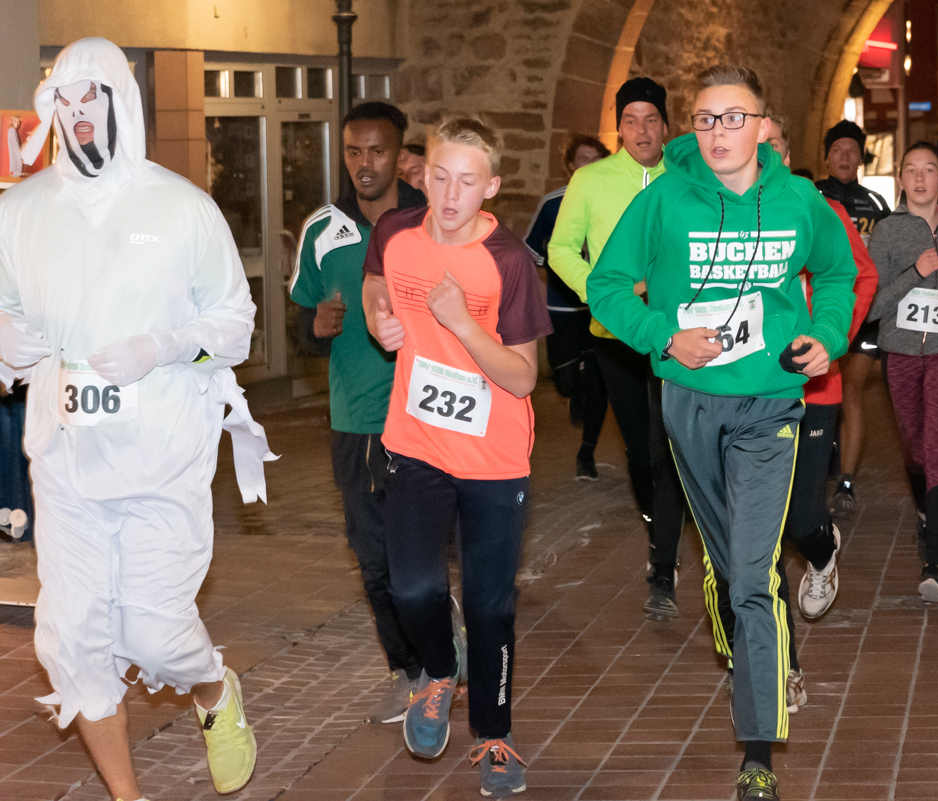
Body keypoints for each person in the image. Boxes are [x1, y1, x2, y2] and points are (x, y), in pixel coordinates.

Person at [0, 38, 275, 800]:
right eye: (64, 100)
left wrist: (163, 347)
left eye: (92, 97)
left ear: (122, 99)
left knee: (155, 632)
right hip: (65, 462)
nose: (78, 114)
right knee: (72, 641)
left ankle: (213, 687)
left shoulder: (182, 208)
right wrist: (7, 339)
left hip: (161, 458)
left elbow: (234, 326)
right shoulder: (19, 212)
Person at [588, 65, 857, 801]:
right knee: (727, 569)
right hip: (690, 404)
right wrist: (662, 337)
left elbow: (837, 275)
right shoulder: (664, 199)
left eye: (733, 118)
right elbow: (605, 284)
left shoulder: (799, 200)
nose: (717, 133)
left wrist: (827, 336)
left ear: (763, 126)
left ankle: (758, 753)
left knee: (753, 572)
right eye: (705, 119)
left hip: (770, 404)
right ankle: (752, 649)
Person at [363, 114, 551, 798]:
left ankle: (494, 736)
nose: (449, 195)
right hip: (416, 443)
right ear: (421, 174)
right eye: (438, 176)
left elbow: (523, 377)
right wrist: (379, 317)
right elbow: (376, 280)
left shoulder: (508, 261)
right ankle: (440, 673)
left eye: (466, 182)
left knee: (489, 605)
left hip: (494, 459)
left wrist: (463, 323)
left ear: (490, 187)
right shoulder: (395, 232)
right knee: (410, 587)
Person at [289, 101, 461, 726]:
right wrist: (315, 328)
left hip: (428, 413)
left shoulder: (430, 220)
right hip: (357, 419)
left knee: (426, 549)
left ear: (400, 154)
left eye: (378, 151)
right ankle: (408, 671)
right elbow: (302, 327)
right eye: (353, 151)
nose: (365, 163)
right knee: (373, 557)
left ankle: (441, 639)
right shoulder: (322, 230)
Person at [707, 113, 878, 721]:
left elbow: (860, 277)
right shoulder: (721, 215)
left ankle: (823, 547)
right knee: (759, 537)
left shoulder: (815, 209)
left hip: (813, 390)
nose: (762, 153)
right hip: (746, 392)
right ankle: (783, 666)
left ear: (783, 151)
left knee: (802, 518)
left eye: (773, 144)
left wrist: (830, 339)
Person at [548, 77, 687, 621]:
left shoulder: (687, 177)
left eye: (651, 119)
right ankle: (658, 530)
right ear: (618, 128)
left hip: (678, 337)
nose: (642, 130)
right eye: (631, 121)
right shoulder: (591, 179)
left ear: (666, 126)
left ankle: (663, 560)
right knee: (639, 449)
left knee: (668, 444)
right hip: (617, 336)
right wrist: (602, 292)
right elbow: (560, 248)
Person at [867, 142, 938, 602]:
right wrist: (914, 271)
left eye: (929, 170)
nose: (919, 178)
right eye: (911, 170)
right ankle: (924, 512)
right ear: (900, 179)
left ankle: (933, 565)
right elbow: (872, 306)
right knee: (914, 452)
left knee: (936, 449)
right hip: (900, 352)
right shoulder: (886, 232)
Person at [815, 119, 891, 519]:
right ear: (826, 157)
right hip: (822, 311)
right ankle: (816, 466)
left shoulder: (876, 204)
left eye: (852, 151)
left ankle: (845, 481)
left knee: (851, 390)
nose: (845, 157)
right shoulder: (810, 196)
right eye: (837, 150)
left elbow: (890, 257)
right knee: (819, 394)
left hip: (867, 313)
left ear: (862, 157)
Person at [524, 133, 611, 479]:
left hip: (603, 308)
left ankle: (586, 454)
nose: (588, 165)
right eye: (583, 159)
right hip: (562, 309)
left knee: (599, 382)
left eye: (595, 159)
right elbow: (530, 250)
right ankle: (577, 393)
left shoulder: (614, 199)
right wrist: (552, 273)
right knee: (566, 384)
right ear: (571, 165)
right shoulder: (552, 203)